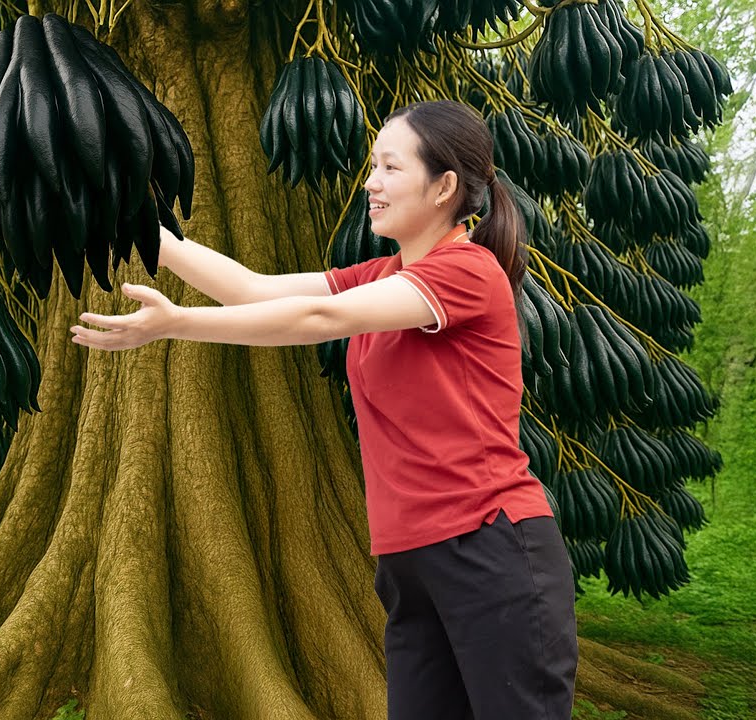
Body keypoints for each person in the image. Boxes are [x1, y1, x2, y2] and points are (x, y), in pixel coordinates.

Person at [70, 100, 578, 720]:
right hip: (410, 561)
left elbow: (319, 319)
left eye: (391, 167)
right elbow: (251, 288)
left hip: (490, 547)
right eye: (373, 166)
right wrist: (133, 223)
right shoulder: (384, 274)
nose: (371, 183)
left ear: (444, 187)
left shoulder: (467, 271)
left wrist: (175, 324)